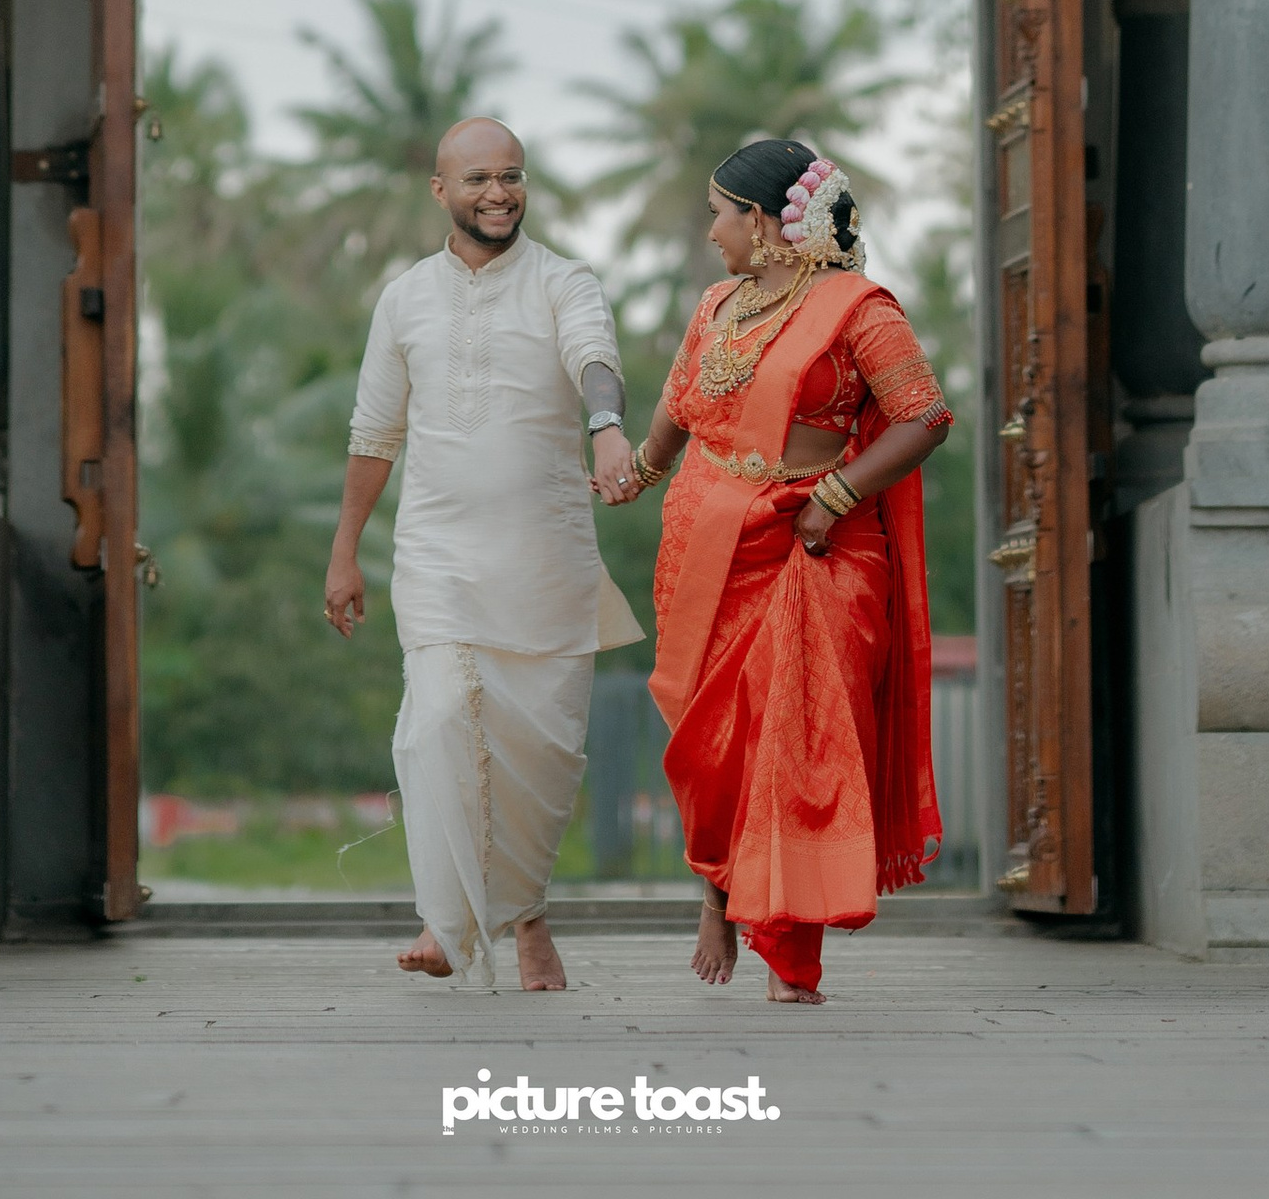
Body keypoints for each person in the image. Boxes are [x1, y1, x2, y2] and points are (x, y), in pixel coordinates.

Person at [617, 132, 950, 1006]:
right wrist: (640, 472)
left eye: (721, 215)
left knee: (794, 743)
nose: (712, 232)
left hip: (813, 549)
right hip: (703, 553)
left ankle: (793, 956)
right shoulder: (718, 305)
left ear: (763, 220)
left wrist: (833, 498)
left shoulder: (857, 309)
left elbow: (924, 415)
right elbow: (679, 404)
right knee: (712, 743)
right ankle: (719, 893)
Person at [326, 116, 644, 990]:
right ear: (441, 191)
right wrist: (344, 550)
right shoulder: (404, 298)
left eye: (511, 176)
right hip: (437, 556)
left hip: (546, 561)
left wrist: (608, 428)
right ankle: (444, 921)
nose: (497, 193)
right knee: (438, 724)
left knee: (536, 756)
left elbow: (596, 358)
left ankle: (527, 917)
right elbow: (373, 432)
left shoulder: (562, 280)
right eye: (477, 180)